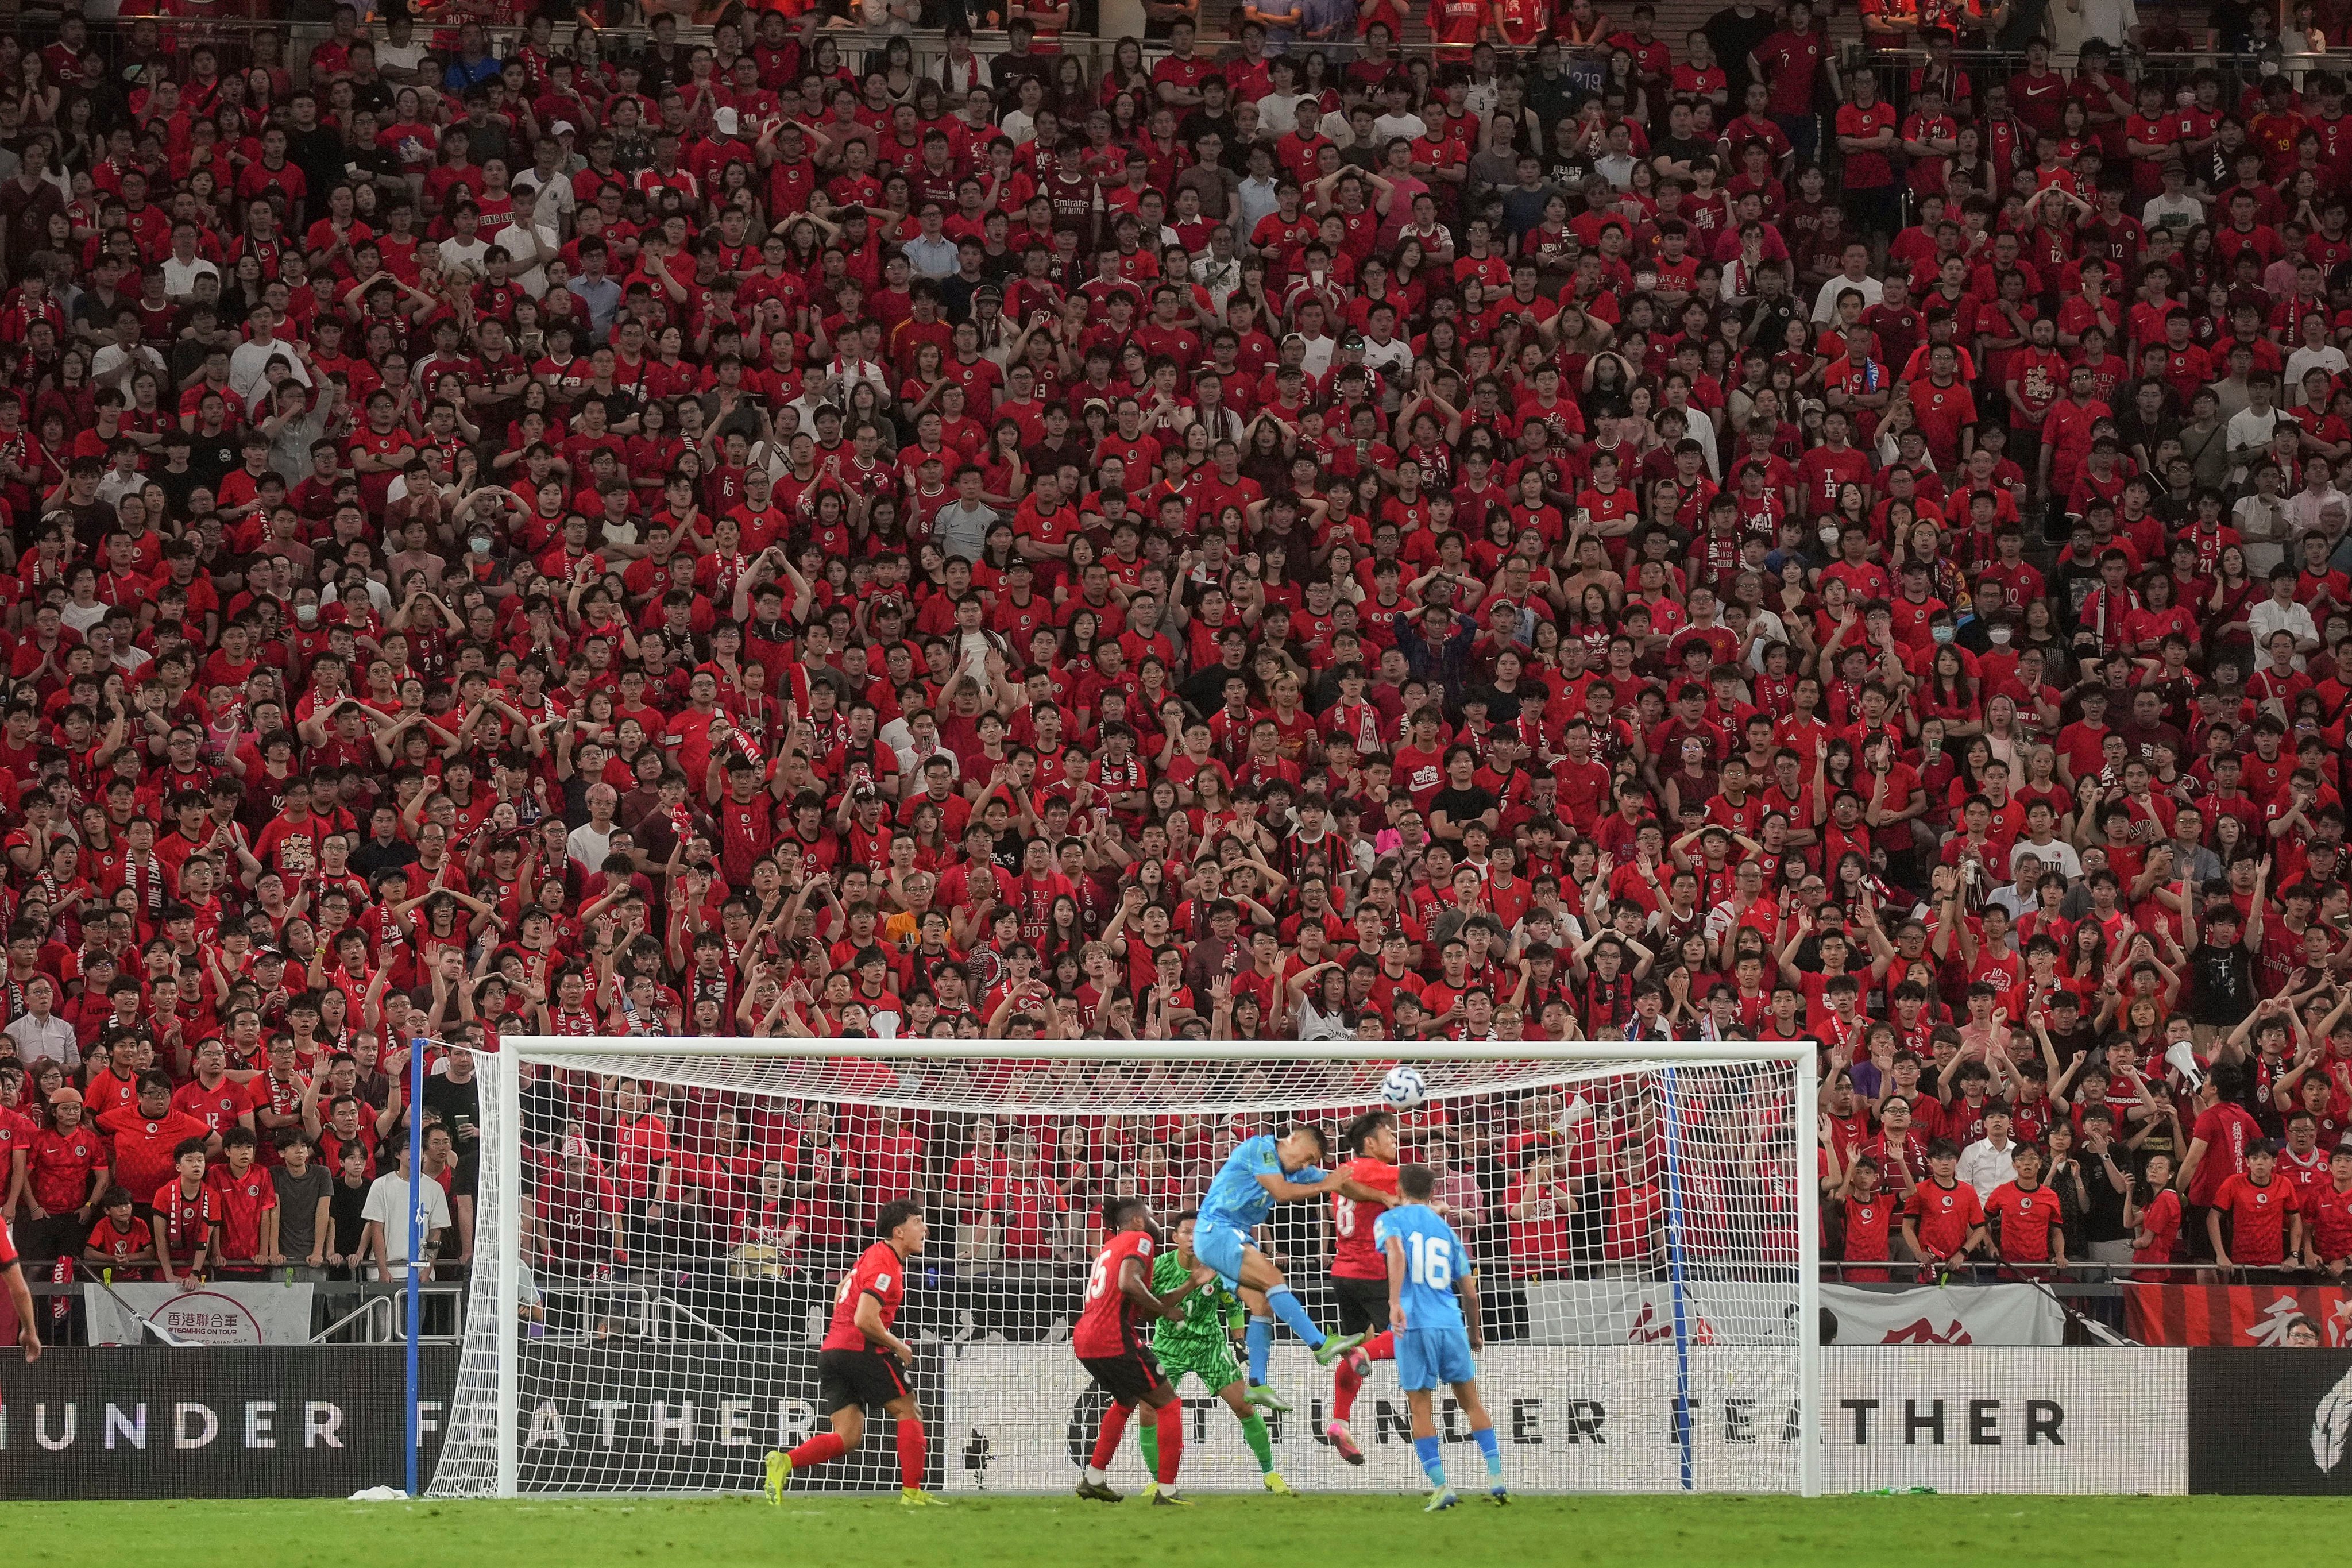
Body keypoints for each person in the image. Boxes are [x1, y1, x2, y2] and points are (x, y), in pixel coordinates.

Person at [766, 1200, 944, 1508]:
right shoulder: (885, 1264)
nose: (925, 1229)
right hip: (860, 1348)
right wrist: (897, 1345)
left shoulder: (871, 1255)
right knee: (908, 1411)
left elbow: (842, 1291)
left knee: (847, 1437)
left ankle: (783, 1462)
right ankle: (912, 1492)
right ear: (899, 1232)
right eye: (918, 1222)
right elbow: (864, 1319)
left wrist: (844, 1325)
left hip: (832, 1349)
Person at [1192, 1125, 1372, 1408]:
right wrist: (1326, 1185)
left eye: (1312, 1163)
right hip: (1217, 1231)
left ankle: (1257, 1383)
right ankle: (1318, 1344)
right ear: (1294, 1139)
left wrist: (1385, 1198)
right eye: (1308, 1157)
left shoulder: (1295, 1171)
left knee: (1262, 1304)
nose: (1307, 1165)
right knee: (1274, 1277)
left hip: (1226, 1236)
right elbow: (1281, 1192)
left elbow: (1343, 1185)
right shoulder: (1259, 1148)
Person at [1376, 1162, 1506, 1510]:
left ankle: (1442, 1486)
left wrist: (1393, 1302)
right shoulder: (1446, 1230)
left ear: (1400, 1190)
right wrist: (1475, 1334)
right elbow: (1470, 1292)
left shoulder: (1389, 1220)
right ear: (1433, 1193)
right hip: (1451, 1324)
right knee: (1472, 1403)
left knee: (1420, 1407)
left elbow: (1397, 1253)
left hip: (1413, 1323)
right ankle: (1496, 1479)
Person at [1133, 1212, 1291, 1496]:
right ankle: (1158, 1480)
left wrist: (1239, 1339)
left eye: (1198, 1233)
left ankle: (1269, 1473)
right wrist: (1192, 1283)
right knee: (1147, 1411)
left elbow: (1232, 1306)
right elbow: (1149, 1310)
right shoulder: (1158, 1268)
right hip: (1169, 1346)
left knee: (1244, 1406)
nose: (1193, 1238)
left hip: (1210, 1345)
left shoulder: (1216, 1267)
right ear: (1175, 1238)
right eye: (1186, 1232)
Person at [1071, 1195, 1212, 1506]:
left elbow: (1143, 1308)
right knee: (1169, 1405)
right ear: (1137, 1220)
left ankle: (1094, 1479)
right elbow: (1128, 1284)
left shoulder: (1110, 1248)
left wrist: (1190, 1284)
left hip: (1086, 1339)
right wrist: (1166, 1310)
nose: (1156, 1221)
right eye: (1151, 1216)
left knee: (1127, 1400)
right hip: (1113, 1337)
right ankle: (1167, 1490)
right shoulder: (1141, 1238)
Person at [1327, 1109, 1404, 1462]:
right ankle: (1363, 1354)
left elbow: (1341, 1184)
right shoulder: (1384, 1173)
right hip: (1373, 1272)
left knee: (1359, 1344)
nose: (1395, 1140)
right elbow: (1415, 1193)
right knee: (1407, 1331)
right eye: (1389, 1135)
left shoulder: (1346, 1171)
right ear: (1370, 1143)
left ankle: (1339, 1421)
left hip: (1342, 1272)